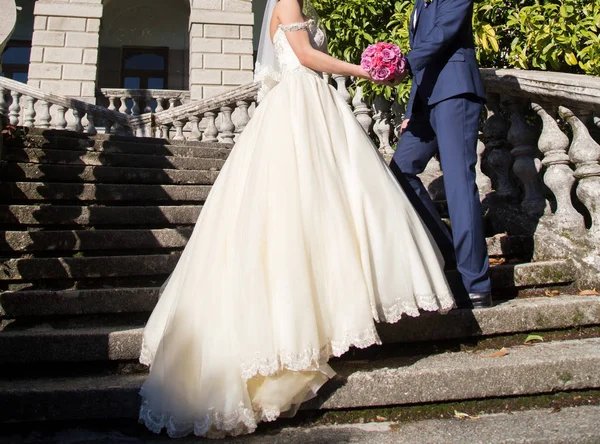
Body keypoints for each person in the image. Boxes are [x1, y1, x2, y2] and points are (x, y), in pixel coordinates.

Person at [138, 0, 454, 438]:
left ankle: (325, 315)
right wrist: (365, 70)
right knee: (299, 207)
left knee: (328, 206)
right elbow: (304, 56)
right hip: (299, 103)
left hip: (309, 102)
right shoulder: (286, 0)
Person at [390, 0, 492, 308]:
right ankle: (450, 252)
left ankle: (476, 284)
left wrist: (403, 63)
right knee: (400, 170)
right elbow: (423, 65)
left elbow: (443, 34)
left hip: (455, 94)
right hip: (426, 104)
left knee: (459, 184)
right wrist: (411, 110)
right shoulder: (417, 7)